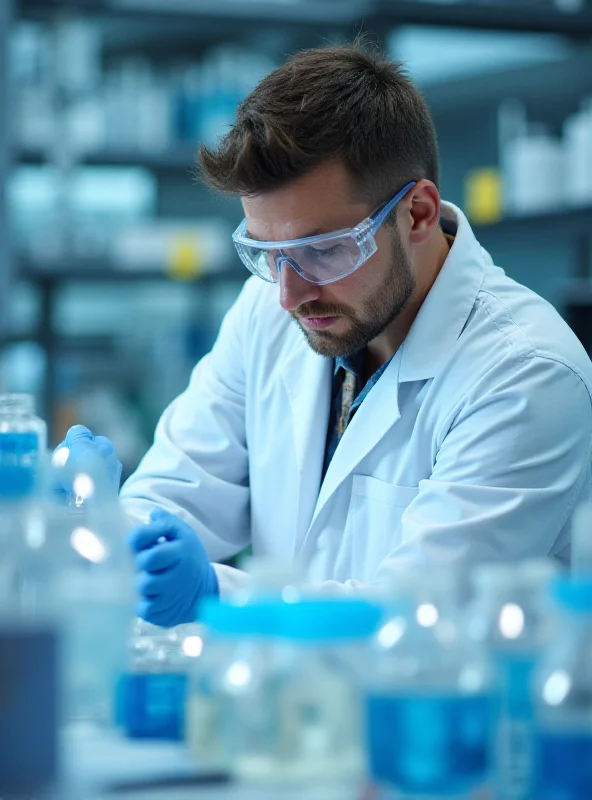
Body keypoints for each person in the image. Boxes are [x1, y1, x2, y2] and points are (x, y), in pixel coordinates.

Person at [59, 44, 592, 628]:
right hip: (290, 704)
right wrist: (107, 525)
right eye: (266, 253)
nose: (288, 293)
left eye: (322, 250)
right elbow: (178, 496)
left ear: (416, 213)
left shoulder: (528, 374)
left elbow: (415, 621)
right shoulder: (270, 310)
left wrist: (214, 593)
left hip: (448, 712)